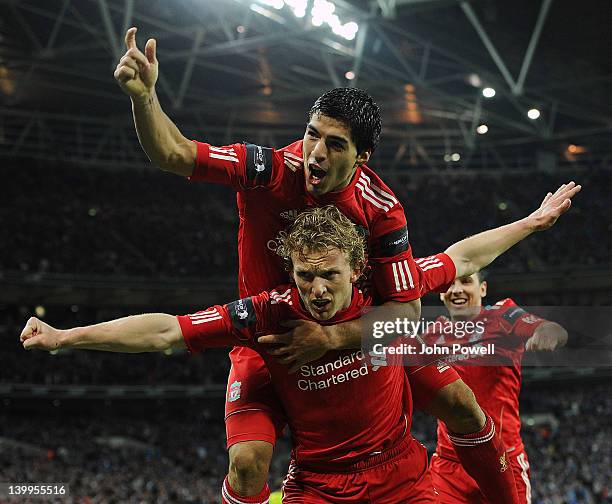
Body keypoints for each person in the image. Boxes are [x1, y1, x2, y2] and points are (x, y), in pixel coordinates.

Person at [22, 180, 579, 502]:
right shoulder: (266, 315)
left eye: (328, 276)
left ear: (357, 269)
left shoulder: (389, 295)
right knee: (246, 466)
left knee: (459, 402)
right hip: (321, 485)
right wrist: (67, 336)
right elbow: (167, 329)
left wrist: (534, 221)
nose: (315, 288)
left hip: (402, 475)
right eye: (303, 275)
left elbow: (461, 257)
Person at [112, 26, 485, 502]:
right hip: (267, 331)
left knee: (460, 403)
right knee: (246, 466)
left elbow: (406, 315)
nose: (315, 152)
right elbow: (174, 153)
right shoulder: (267, 170)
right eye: (312, 134)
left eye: (335, 144)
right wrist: (144, 98)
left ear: (362, 157)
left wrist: (332, 336)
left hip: (347, 329)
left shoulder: (381, 208)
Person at [424, 268, 569, 504]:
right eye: (450, 285)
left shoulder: (502, 316)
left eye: (466, 282)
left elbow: (550, 329)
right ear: (441, 294)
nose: (457, 290)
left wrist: (548, 333)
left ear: (483, 289)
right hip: (449, 466)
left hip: (504, 460)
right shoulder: (432, 335)